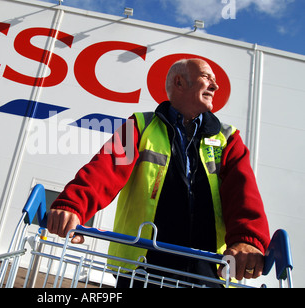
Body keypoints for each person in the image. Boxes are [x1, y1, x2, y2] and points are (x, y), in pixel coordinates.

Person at [47, 58, 270, 286]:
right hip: (142, 267)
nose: (215, 86)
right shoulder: (139, 125)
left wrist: (247, 240)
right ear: (179, 82)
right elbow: (104, 169)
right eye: (207, 77)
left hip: (208, 271)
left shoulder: (228, 139)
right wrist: (72, 206)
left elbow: (243, 193)